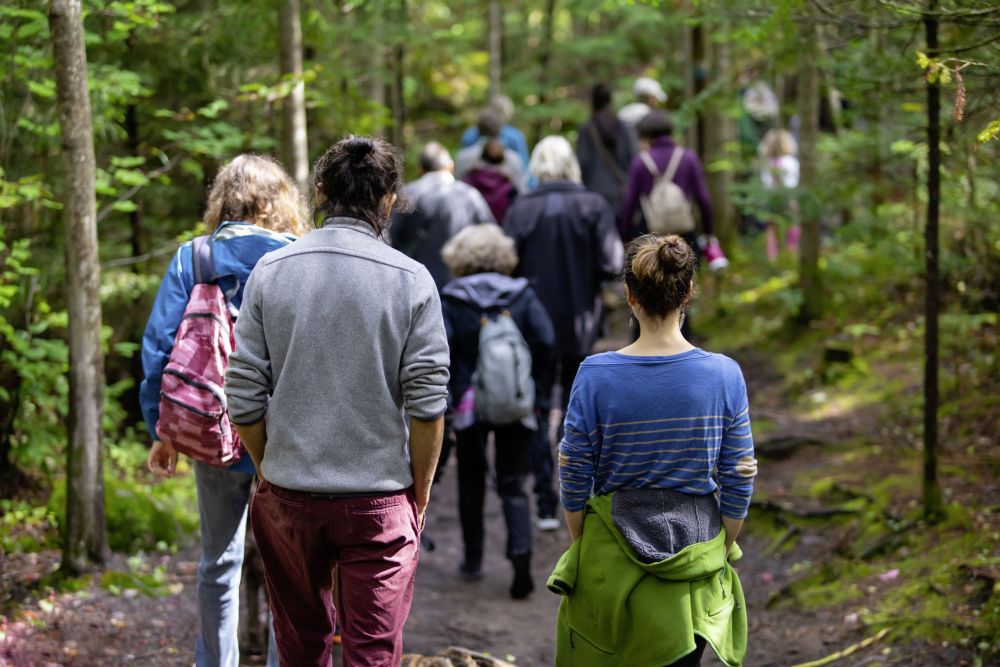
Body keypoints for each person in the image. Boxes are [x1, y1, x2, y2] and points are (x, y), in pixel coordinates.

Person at [224, 137, 450, 666]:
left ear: (320, 191)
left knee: (300, 649)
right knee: (372, 654)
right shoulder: (412, 280)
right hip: (379, 503)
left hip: (289, 498)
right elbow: (427, 406)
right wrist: (418, 493)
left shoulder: (271, 271)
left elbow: (243, 396)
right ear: (388, 201)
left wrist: (270, 468)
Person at [551, 234, 756, 666]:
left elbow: (573, 468)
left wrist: (583, 540)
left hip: (611, 556)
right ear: (688, 292)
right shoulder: (724, 375)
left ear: (629, 295)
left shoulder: (595, 374)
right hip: (695, 557)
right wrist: (722, 545)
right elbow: (739, 472)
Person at [142, 154, 308, 667]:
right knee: (291, 569)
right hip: (285, 436)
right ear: (281, 203)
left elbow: (159, 348)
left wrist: (162, 430)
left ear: (223, 201)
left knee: (218, 562)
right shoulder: (300, 259)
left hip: (211, 429)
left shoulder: (194, 257)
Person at [502, 136, 624, 531]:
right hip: (580, 322)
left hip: (531, 324)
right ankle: (578, 494)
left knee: (537, 406)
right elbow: (612, 262)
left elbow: (506, 263)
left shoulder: (522, 208)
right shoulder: (592, 205)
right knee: (578, 406)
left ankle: (544, 502)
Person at [439, 224, 556, 598]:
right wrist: (536, 393)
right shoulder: (522, 295)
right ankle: (520, 552)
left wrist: (450, 397)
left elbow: (440, 349)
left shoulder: (452, 298)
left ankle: (473, 559)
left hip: (469, 402)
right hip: (516, 400)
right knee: (513, 482)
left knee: (471, 481)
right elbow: (546, 340)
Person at [390, 141, 496, 289]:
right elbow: (491, 237)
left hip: (417, 284)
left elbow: (391, 238)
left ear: (421, 169)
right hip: (463, 286)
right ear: (451, 166)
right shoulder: (470, 195)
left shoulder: (408, 194)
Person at [621, 110, 714, 248]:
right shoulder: (688, 158)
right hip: (684, 236)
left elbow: (630, 202)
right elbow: (703, 198)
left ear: (645, 134)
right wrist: (708, 232)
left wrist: (624, 235)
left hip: (652, 237)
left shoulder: (640, 162)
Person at [577, 83, 637, 224]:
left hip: (594, 194)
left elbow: (582, 161)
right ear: (610, 100)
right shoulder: (623, 127)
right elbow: (633, 158)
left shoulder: (587, 129)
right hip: (621, 194)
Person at [757, 128, 801, 261]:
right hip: (788, 198)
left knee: (771, 228)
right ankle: (792, 254)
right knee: (792, 226)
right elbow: (792, 184)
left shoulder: (766, 162)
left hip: (770, 199)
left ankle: (772, 257)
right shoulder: (791, 161)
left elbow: (765, 183)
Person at [460, 94, 531, 171]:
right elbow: (523, 166)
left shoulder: (469, 134)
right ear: (507, 114)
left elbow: (462, 164)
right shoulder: (514, 136)